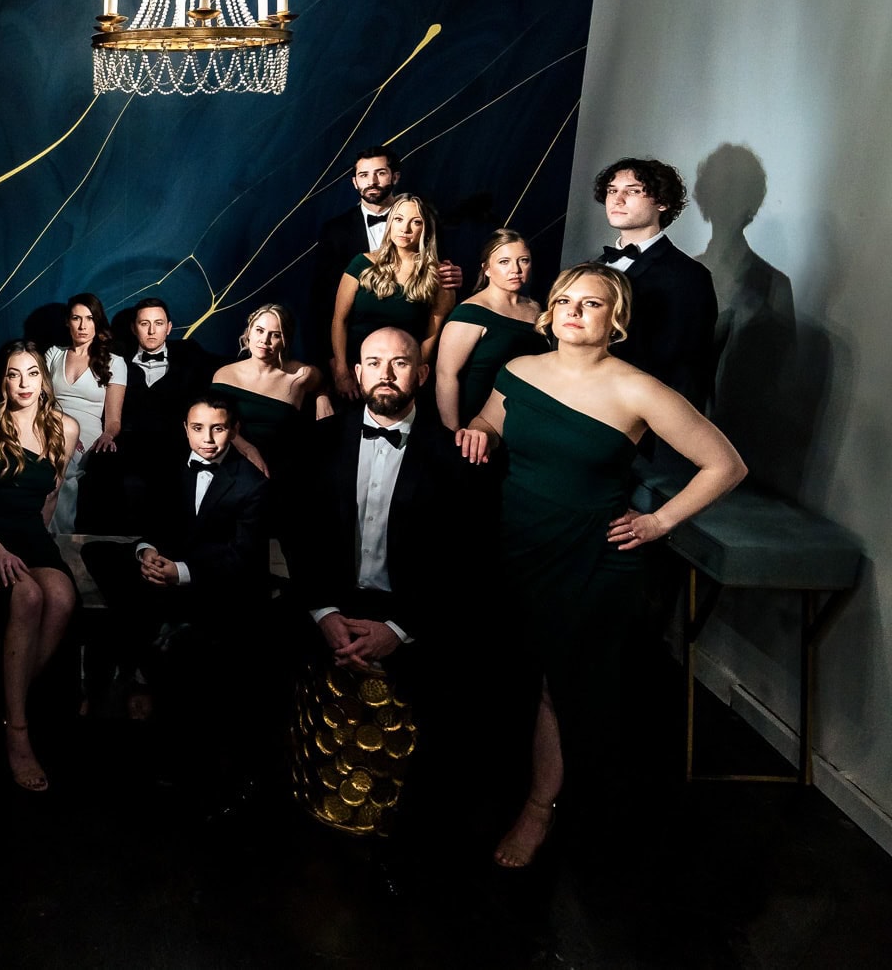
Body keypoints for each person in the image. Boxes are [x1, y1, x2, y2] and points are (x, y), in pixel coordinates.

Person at [455, 263, 745, 868]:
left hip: (589, 554)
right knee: (502, 667)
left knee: (561, 686)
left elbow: (725, 465)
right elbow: (490, 421)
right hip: (513, 540)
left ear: (616, 320)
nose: (573, 311)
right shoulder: (519, 369)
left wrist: (660, 522)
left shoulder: (637, 389)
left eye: (590, 303)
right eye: (565, 300)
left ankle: (539, 810)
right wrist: (479, 432)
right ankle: (490, 787)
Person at [287, 327, 495, 844]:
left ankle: (409, 840)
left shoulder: (455, 457)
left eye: (399, 363)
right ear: (357, 373)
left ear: (421, 374)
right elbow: (300, 536)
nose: (385, 373)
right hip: (332, 601)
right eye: (374, 363)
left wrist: (400, 629)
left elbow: (464, 561)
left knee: (444, 719)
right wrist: (323, 612)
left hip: (416, 611)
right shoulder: (317, 442)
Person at [80, 395, 273, 810]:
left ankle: (141, 668)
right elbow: (153, 525)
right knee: (99, 554)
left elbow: (241, 558)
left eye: (218, 429)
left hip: (212, 585)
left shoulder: (251, 484)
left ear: (234, 431)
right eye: (198, 428)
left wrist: (180, 572)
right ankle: (140, 657)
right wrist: (148, 552)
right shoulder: (170, 468)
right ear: (186, 429)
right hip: (166, 573)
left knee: (170, 630)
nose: (208, 439)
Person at [0, 341, 80, 792]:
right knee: (27, 594)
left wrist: (38, 543)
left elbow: (49, 498)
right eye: (13, 374)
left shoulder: (66, 427)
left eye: (32, 373)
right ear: (2, 381)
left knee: (60, 594)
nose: (23, 384)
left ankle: (7, 700)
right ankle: (17, 732)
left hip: (28, 533)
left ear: (44, 379)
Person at [591, 157, 718, 413]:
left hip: (638, 418)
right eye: (612, 190)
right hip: (582, 406)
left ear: (662, 202)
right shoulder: (591, 268)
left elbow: (687, 371)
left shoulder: (689, 276)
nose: (617, 200)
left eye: (633, 191)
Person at [330, 193, 457, 402]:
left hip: (401, 375)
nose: (405, 229)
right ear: (390, 223)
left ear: (426, 229)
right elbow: (339, 320)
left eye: (416, 222)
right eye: (399, 219)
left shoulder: (438, 276)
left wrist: (413, 375)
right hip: (355, 372)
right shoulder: (361, 263)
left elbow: (432, 334)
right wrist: (342, 370)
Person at [114, 297, 218, 529]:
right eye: (144, 324)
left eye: (158, 323)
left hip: (176, 451)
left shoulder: (190, 355)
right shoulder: (116, 361)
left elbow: (224, 368)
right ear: (133, 328)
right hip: (129, 453)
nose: (152, 331)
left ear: (169, 328)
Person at [433, 229, 547, 429]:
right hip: (476, 425)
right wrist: (453, 432)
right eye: (504, 262)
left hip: (523, 420)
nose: (515, 270)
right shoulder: (470, 313)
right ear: (486, 268)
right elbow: (445, 376)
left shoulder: (536, 308)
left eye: (523, 260)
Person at [209, 303, 330, 481]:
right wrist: (247, 448)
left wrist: (322, 396)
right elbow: (213, 424)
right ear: (249, 332)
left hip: (284, 471)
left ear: (285, 340)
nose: (265, 340)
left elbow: (321, 382)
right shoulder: (224, 375)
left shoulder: (300, 375)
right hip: (233, 466)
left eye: (275, 335)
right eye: (259, 330)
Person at [44, 293, 126, 533]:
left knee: (63, 465)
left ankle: (57, 537)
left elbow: (113, 420)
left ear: (97, 322)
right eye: (76, 318)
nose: (82, 326)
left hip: (86, 436)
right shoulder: (54, 354)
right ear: (67, 322)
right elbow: (41, 403)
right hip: (50, 427)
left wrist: (108, 435)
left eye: (89, 318)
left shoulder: (114, 362)